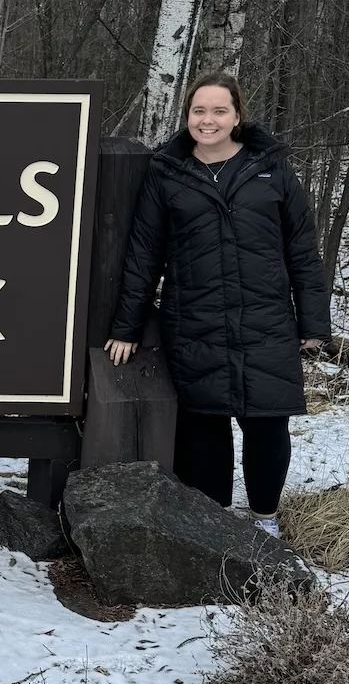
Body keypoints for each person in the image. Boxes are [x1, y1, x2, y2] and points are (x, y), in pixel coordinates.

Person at [105, 73, 330, 536]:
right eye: (199, 111)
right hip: (195, 318)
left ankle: (265, 522)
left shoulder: (271, 168)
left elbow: (302, 250)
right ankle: (214, 527)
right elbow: (144, 253)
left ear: (237, 116)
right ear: (187, 117)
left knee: (266, 424)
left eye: (219, 110)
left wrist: (313, 321)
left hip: (265, 319)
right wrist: (126, 326)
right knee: (204, 426)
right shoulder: (167, 173)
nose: (208, 120)